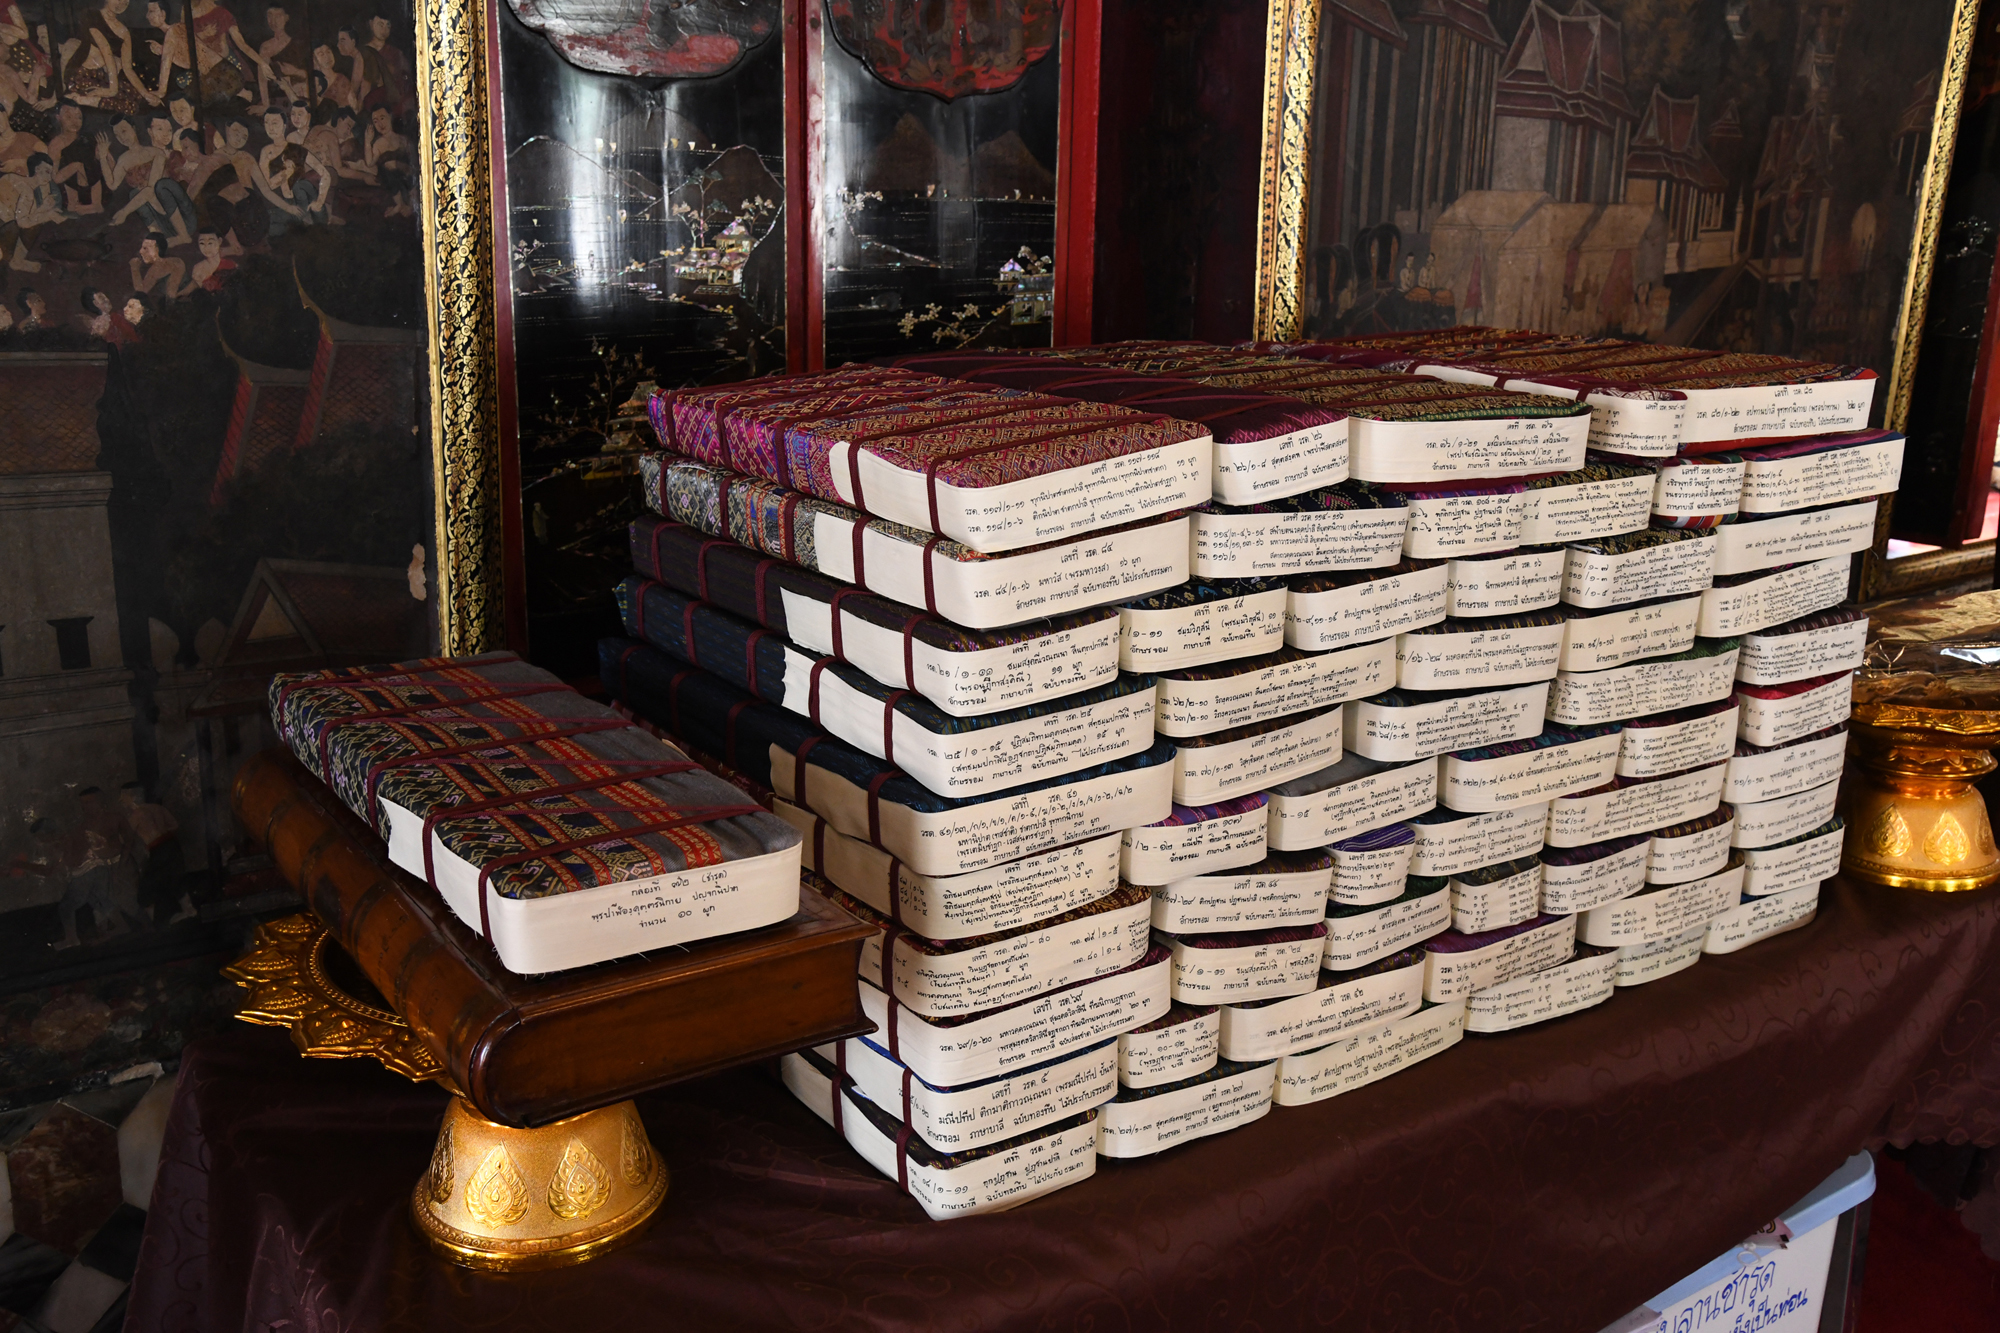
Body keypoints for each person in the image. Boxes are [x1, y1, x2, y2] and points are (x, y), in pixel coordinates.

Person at [97, 114, 194, 242]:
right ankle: (157, 235)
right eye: (117, 135)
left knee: (161, 185)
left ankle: (183, 235)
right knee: (134, 193)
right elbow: (112, 184)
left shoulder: (155, 153)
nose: (122, 137)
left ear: (133, 128)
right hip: (162, 219)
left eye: (124, 131)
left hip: (182, 216)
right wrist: (103, 157)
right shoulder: (124, 160)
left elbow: (152, 189)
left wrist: (124, 212)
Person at [118, 782, 191, 925]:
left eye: (124, 796)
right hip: (172, 845)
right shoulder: (157, 808)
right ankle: (187, 910)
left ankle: (155, 922)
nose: (120, 800)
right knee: (174, 878)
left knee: (146, 888)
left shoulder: (136, 815)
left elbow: (125, 839)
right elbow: (174, 825)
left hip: (159, 850)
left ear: (133, 796)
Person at [252, 4, 303, 109]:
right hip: (275, 99)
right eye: (270, 16)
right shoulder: (265, 47)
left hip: (299, 97)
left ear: (286, 17)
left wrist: (294, 72)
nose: (273, 21)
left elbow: (310, 75)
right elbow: (262, 79)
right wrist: (265, 105)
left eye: (278, 16)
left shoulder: (297, 44)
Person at [363, 102, 407, 217]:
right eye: (375, 121)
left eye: (382, 118)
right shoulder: (378, 144)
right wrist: (367, 142)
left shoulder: (402, 139)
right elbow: (370, 163)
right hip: (389, 178)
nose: (380, 124)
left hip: (404, 174)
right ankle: (399, 204)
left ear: (390, 116)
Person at [130, 229, 183, 294]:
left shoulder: (162, 266)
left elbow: (141, 292)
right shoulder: (156, 267)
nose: (140, 251)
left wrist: (135, 269)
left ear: (156, 249)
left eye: (145, 248)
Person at [187, 222, 236, 287]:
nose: (206, 247)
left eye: (210, 243)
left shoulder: (231, 265)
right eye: (202, 243)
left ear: (219, 241)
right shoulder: (198, 269)